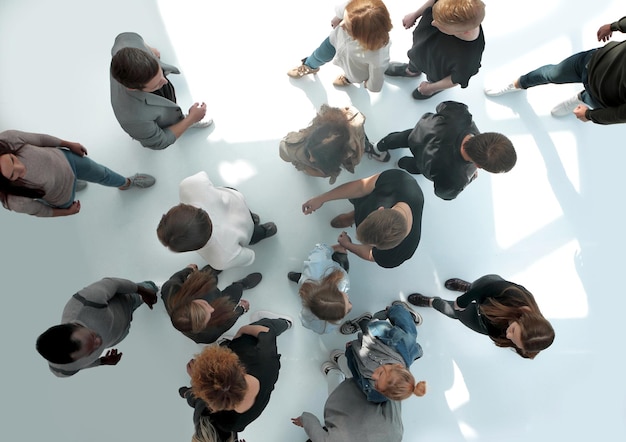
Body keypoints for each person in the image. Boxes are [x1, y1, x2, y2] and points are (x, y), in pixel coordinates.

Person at [484, 17, 626, 124]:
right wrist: (614, 26)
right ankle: (519, 83)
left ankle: (579, 99)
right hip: (593, 61)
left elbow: (620, 114)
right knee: (552, 74)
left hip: (602, 96)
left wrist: (589, 115)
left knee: (586, 98)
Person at [368, 101, 516, 200]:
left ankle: (377, 147)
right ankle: (401, 164)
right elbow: (442, 193)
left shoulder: (461, 115)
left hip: (418, 134)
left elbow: (442, 106)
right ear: (479, 166)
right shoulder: (456, 179)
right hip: (425, 163)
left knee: (398, 138)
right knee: (413, 166)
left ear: (487, 135)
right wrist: (470, 179)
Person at [0, 129, 155, 217]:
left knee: (102, 173)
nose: (21, 168)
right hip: (62, 196)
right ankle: (73, 185)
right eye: (13, 175)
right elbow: (41, 210)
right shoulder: (14, 200)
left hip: (68, 161)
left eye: (13, 159)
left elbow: (40, 139)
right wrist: (66, 212)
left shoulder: (7, 139)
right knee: (65, 185)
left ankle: (126, 183)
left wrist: (68, 144)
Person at [185, 311, 292, 433]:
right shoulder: (264, 359)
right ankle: (285, 323)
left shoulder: (230, 425)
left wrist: (197, 379)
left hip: (246, 356)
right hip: (250, 348)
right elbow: (267, 333)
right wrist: (241, 331)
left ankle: (285, 323)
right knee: (267, 325)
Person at [407, 274, 555, 359]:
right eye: (514, 331)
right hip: (488, 292)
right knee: (475, 290)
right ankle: (467, 287)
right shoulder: (516, 296)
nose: (508, 336)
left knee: (453, 312)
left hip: (485, 322)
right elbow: (488, 288)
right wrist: (463, 300)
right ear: (524, 319)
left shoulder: (527, 345)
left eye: (515, 342)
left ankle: (431, 302)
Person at [36, 278, 158, 377]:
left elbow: (114, 283)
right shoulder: (63, 369)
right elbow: (81, 366)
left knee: (153, 288)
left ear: (73, 325)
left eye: (92, 336)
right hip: (121, 331)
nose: (99, 342)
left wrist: (143, 292)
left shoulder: (88, 300)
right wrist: (103, 361)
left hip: (128, 300)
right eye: (90, 351)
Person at [110, 32, 212, 150]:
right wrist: (191, 119)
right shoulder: (133, 118)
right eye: (156, 84)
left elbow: (129, 36)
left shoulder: (125, 44)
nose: (165, 81)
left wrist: (149, 49)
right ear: (133, 88)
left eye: (160, 74)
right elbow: (159, 141)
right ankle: (179, 122)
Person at [302, 170, 423, 268]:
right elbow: (361, 187)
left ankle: (353, 217)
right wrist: (322, 198)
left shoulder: (396, 255)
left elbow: (371, 255)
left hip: (369, 204)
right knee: (359, 198)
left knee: (362, 204)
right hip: (367, 200)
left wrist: (348, 245)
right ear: (380, 209)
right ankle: (352, 216)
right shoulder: (401, 181)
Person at [157, 171, 277, 270]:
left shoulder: (221, 259)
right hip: (235, 199)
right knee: (247, 214)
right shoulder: (189, 185)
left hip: (247, 233)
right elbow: (203, 175)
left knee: (254, 234)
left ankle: (262, 231)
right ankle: (252, 219)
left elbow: (250, 256)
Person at [290, 352, 404, 442]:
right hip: (340, 402)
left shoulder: (396, 435)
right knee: (335, 390)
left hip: (370, 388)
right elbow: (310, 420)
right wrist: (303, 420)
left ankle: (340, 358)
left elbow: (393, 402)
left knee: (354, 374)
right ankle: (332, 371)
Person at [385, 0, 485, 99]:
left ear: (465, 32)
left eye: (441, 25)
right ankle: (412, 71)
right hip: (421, 48)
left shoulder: (469, 59)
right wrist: (415, 14)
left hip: (438, 69)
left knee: (435, 78)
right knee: (415, 56)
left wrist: (431, 88)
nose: (433, 23)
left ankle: (433, 85)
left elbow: (455, 79)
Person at [287, 0, 392, 92]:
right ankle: (309, 65)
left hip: (355, 66)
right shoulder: (357, 9)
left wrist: (370, 85)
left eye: (347, 25)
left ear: (361, 34)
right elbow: (347, 7)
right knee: (319, 54)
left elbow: (376, 79)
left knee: (352, 75)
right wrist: (338, 17)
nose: (341, 25)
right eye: (344, 19)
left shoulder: (378, 55)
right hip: (336, 40)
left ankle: (348, 79)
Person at [340, 302, 426, 403]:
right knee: (408, 334)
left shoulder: (375, 392)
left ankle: (363, 321)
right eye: (380, 373)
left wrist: (350, 352)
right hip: (379, 334)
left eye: (376, 384)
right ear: (398, 366)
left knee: (412, 349)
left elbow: (357, 373)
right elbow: (404, 324)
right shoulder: (402, 341)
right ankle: (365, 321)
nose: (373, 377)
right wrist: (394, 310)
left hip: (361, 349)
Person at [161, 263, 262, 344]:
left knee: (209, 275)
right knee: (235, 292)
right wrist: (241, 309)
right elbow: (225, 325)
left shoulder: (169, 291)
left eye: (204, 305)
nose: (212, 309)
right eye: (207, 317)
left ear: (189, 302)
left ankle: (214, 269)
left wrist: (188, 270)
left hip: (198, 287)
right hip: (220, 305)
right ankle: (241, 284)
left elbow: (176, 278)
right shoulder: (206, 336)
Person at [279, 105, 376, 184]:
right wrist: (304, 167)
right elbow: (284, 152)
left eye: (316, 157)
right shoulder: (293, 148)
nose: (311, 159)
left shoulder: (356, 124)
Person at [288, 243, 352, 334]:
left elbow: (320, 249)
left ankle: (297, 278)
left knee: (303, 282)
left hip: (311, 277)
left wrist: (335, 248)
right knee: (303, 284)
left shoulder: (316, 268)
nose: (350, 303)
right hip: (330, 272)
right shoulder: (325, 326)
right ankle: (298, 279)